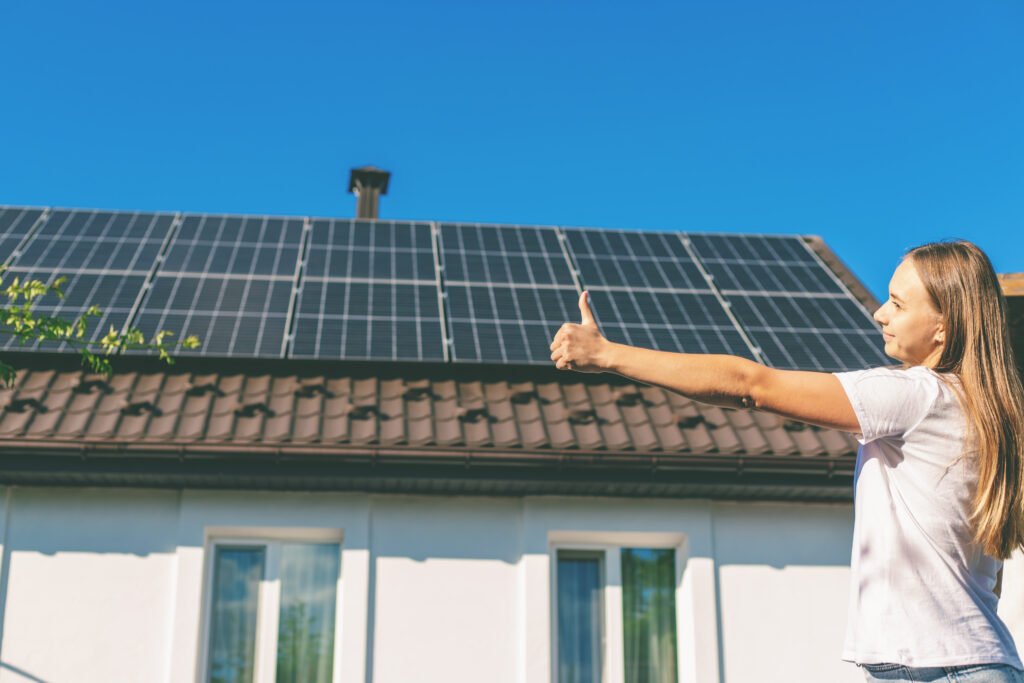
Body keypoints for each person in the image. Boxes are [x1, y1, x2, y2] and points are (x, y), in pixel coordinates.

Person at [549, 240, 1024, 682]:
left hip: (933, 669)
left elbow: (750, 385)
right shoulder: (988, 411)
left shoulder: (917, 395)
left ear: (943, 326)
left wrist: (607, 354)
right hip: (968, 659)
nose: (880, 314)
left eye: (898, 305)